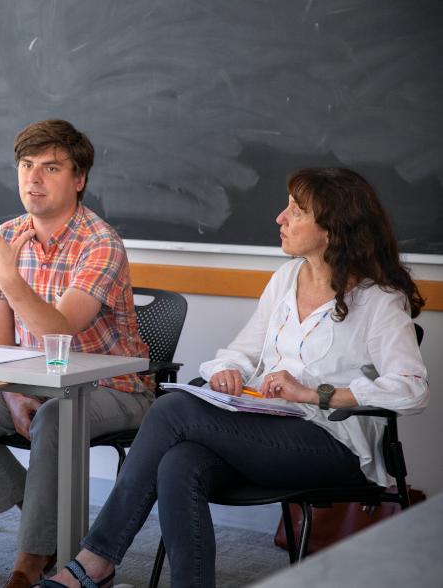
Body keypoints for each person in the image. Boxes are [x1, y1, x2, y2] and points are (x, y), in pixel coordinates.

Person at [44, 167, 430, 588]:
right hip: (269, 430)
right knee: (179, 462)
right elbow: (241, 352)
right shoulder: (286, 279)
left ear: (334, 228)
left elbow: (411, 389)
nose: (280, 218)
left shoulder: (379, 300)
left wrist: (315, 393)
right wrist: (228, 370)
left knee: (173, 409)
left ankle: (95, 561)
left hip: (335, 447)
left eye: (296, 211)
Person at [0, 119, 152, 588]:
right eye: (26, 165)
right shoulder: (7, 237)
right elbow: (1, 346)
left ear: (78, 180)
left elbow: (59, 329)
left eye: (50, 167)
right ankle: (53, 537)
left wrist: (8, 276)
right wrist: (13, 396)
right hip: (37, 384)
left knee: (55, 418)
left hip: (113, 388)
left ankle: (27, 564)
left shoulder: (101, 243)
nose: (33, 179)